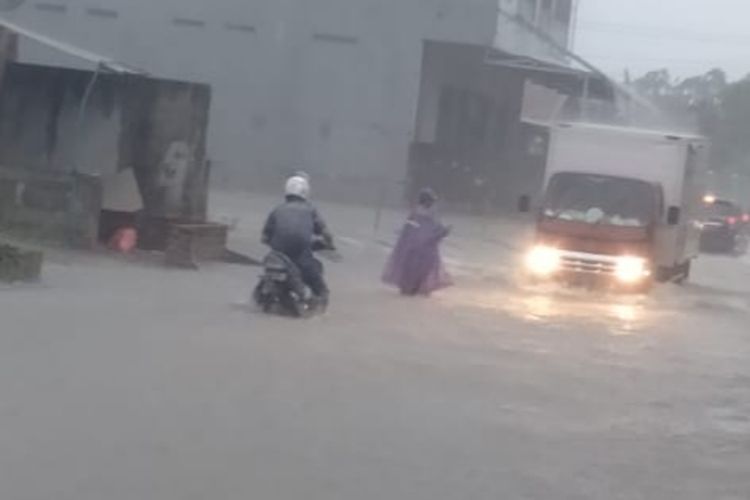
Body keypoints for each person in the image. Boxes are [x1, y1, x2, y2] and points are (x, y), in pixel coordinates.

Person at [262, 175, 334, 306]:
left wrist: (275, 244)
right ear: (305, 192)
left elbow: (265, 237)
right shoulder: (311, 210)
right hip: (300, 255)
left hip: (277, 256)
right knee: (320, 287)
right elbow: (325, 233)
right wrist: (329, 244)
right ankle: (316, 307)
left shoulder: (277, 210)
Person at [382, 188, 452, 296]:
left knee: (420, 271)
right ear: (425, 201)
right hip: (418, 250)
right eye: (430, 200)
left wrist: (443, 232)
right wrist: (442, 232)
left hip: (423, 251)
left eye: (432, 201)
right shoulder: (418, 215)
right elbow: (414, 232)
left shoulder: (427, 215)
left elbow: (431, 231)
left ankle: (413, 289)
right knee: (415, 271)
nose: (431, 203)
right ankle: (411, 290)